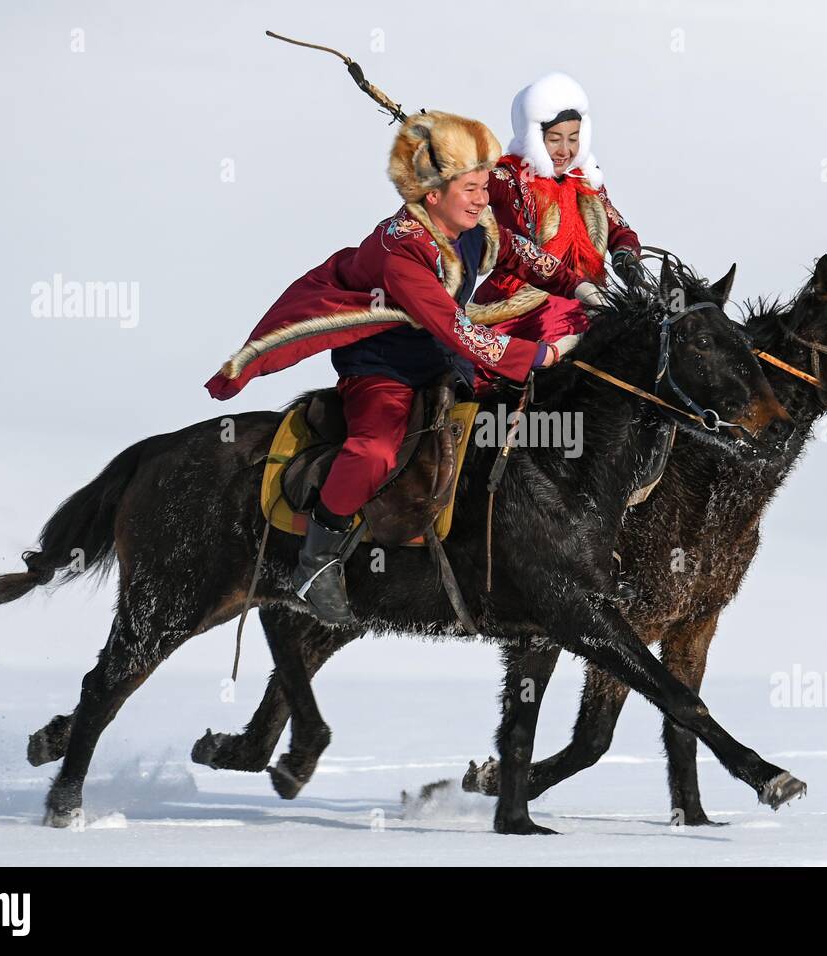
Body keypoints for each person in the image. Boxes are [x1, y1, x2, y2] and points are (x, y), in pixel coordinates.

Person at [204, 111, 601, 624]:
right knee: (375, 451)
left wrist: (580, 285)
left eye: (484, 187)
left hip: (439, 361)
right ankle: (316, 560)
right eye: (472, 189)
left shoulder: (474, 224)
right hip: (383, 368)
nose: (484, 200)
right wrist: (545, 354)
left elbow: (524, 257)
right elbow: (456, 328)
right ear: (432, 195)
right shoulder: (401, 250)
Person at [468, 72, 643, 393]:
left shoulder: (587, 182)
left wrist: (625, 256)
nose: (564, 150)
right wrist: (455, 161)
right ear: (535, 137)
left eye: (573, 138)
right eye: (554, 139)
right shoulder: (510, 178)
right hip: (527, 296)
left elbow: (619, 228)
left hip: (589, 295)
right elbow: (475, 184)